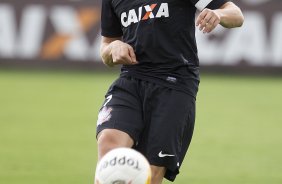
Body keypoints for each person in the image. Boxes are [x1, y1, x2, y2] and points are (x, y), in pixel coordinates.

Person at [95, 0, 244, 183]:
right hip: (130, 79)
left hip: (175, 84)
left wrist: (219, 15)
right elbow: (106, 46)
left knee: (151, 173)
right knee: (109, 151)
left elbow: (236, 15)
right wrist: (113, 47)